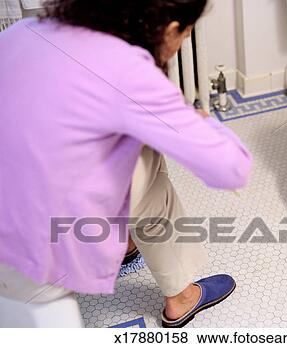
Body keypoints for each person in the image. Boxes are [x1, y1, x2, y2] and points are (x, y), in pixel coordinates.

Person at [0, 0, 252, 328]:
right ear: (171, 29)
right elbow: (231, 169)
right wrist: (200, 119)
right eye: (185, 33)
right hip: (38, 255)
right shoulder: (125, 68)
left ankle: (125, 242)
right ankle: (180, 296)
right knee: (146, 154)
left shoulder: (22, 32)